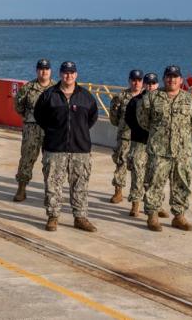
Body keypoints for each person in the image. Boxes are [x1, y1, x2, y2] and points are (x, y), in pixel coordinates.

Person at [34, 61, 99, 232]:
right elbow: (40, 117)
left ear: (76, 75)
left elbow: (91, 118)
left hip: (80, 149)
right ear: (60, 74)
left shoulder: (86, 96)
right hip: (55, 148)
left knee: (80, 185)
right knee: (53, 185)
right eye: (65, 72)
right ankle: (53, 216)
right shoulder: (49, 95)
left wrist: (78, 133)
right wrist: (55, 132)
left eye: (71, 73)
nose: (68, 76)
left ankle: (80, 217)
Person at [138, 65, 192, 232]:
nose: (172, 79)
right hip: (159, 150)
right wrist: (158, 134)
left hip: (182, 151)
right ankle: (152, 215)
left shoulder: (191, 100)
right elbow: (143, 120)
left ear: (180, 80)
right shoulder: (151, 98)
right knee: (154, 183)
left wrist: (182, 134)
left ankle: (179, 216)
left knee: (182, 183)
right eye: (168, 76)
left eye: (175, 77)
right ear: (164, 79)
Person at [11, 59, 55, 202]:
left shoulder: (56, 88)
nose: (44, 72)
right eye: (41, 69)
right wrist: (30, 118)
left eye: (46, 69)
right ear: (37, 71)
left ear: (50, 71)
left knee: (51, 161)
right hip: (32, 128)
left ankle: (50, 192)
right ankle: (21, 189)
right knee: (27, 158)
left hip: (50, 129)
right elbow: (19, 106)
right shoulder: (28, 87)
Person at [124, 72, 161, 218]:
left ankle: (154, 205)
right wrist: (141, 129)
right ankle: (135, 204)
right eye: (148, 83)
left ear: (157, 84)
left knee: (155, 176)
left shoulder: (162, 100)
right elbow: (129, 119)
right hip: (139, 142)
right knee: (138, 174)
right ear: (144, 84)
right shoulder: (135, 101)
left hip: (157, 145)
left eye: (153, 83)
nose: (150, 86)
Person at [108, 69, 144, 204]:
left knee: (140, 167)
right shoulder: (120, 97)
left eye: (139, 80)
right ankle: (118, 192)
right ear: (129, 81)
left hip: (141, 139)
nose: (136, 83)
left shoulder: (147, 97)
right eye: (134, 80)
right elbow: (114, 118)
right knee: (121, 163)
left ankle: (139, 196)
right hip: (125, 136)